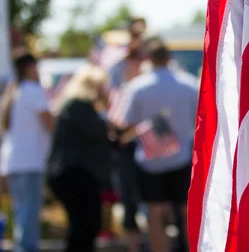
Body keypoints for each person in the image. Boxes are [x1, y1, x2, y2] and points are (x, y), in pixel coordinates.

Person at [119, 39, 198, 251]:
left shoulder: (138, 87)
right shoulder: (189, 83)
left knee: (155, 211)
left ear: (149, 59)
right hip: (182, 156)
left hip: (150, 160)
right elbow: (198, 120)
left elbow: (128, 121)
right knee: (186, 210)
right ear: (169, 57)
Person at [47, 65, 112, 252]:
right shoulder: (78, 105)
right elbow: (98, 130)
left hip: (75, 174)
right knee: (85, 225)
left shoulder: (75, 105)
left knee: (85, 225)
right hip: (75, 174)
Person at [0, 50, 53, 252]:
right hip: (29, 162)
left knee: (22, 215)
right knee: (28, 221)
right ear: (30, 67)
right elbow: (49, 122)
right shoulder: (31, 90)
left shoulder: (14, 92)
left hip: (14, 163)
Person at [106, 16, 147, 252]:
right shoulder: (118, 70)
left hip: (148, 144)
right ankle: (134, 247)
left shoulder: (148, 74)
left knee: (154, 201)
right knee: (130, 200)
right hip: (126, 144)